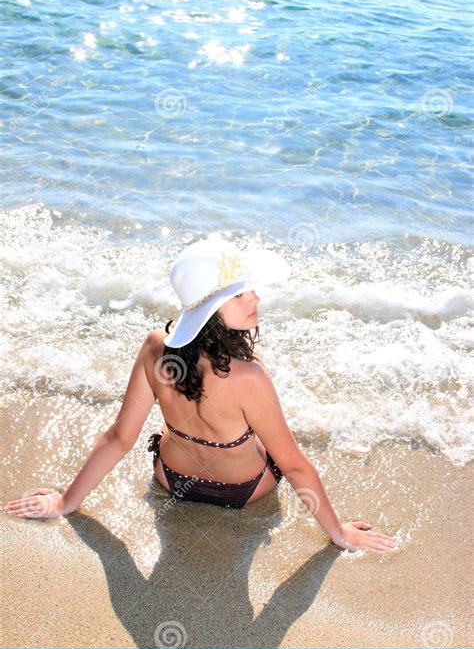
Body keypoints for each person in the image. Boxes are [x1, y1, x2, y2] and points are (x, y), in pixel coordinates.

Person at [4, 237, 398, 554]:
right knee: (259, 432)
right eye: (239, 295)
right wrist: (339, 533)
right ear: (210, 310)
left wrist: (65, 503)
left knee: (182, 418)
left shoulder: (155, 347)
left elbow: (119, 438)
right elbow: (293, 465)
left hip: (172, 480)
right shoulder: (249, 375)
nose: (255, 299)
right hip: (245, 492)